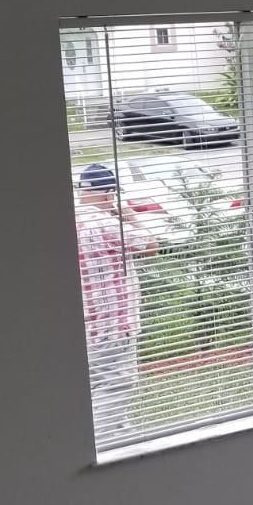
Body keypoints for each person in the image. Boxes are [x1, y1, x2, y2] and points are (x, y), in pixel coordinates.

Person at [74, 162, 157, 442]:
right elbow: (150, 245)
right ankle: (102, 441)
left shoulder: (71, 219)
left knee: (100, 381)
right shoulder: (107, 224)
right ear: (108, 194)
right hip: (113, 323)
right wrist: (130, 217)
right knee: (120, 381)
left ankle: (122, 434)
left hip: (89, 322)